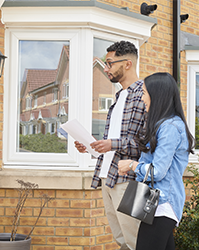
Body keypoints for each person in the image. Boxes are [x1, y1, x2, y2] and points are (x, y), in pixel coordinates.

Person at [74, 41, 146, 250]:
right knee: (121, 240)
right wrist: (92, 148)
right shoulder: (118, 97)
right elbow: (115, 145)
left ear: (127, 64)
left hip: (129, 180)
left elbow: (146, 143)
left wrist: (111, 144)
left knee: (136, 241)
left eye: (109, 63)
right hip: (108, 177)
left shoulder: (143, 95)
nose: (106, 69)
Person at [118, 72, 194, 250]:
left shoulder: (170, 127)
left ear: (157, 95)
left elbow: (158, 171)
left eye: (144, 93)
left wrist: (132, 165)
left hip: (163, 205)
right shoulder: (163, 124)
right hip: (157, 206)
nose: (141, 97)